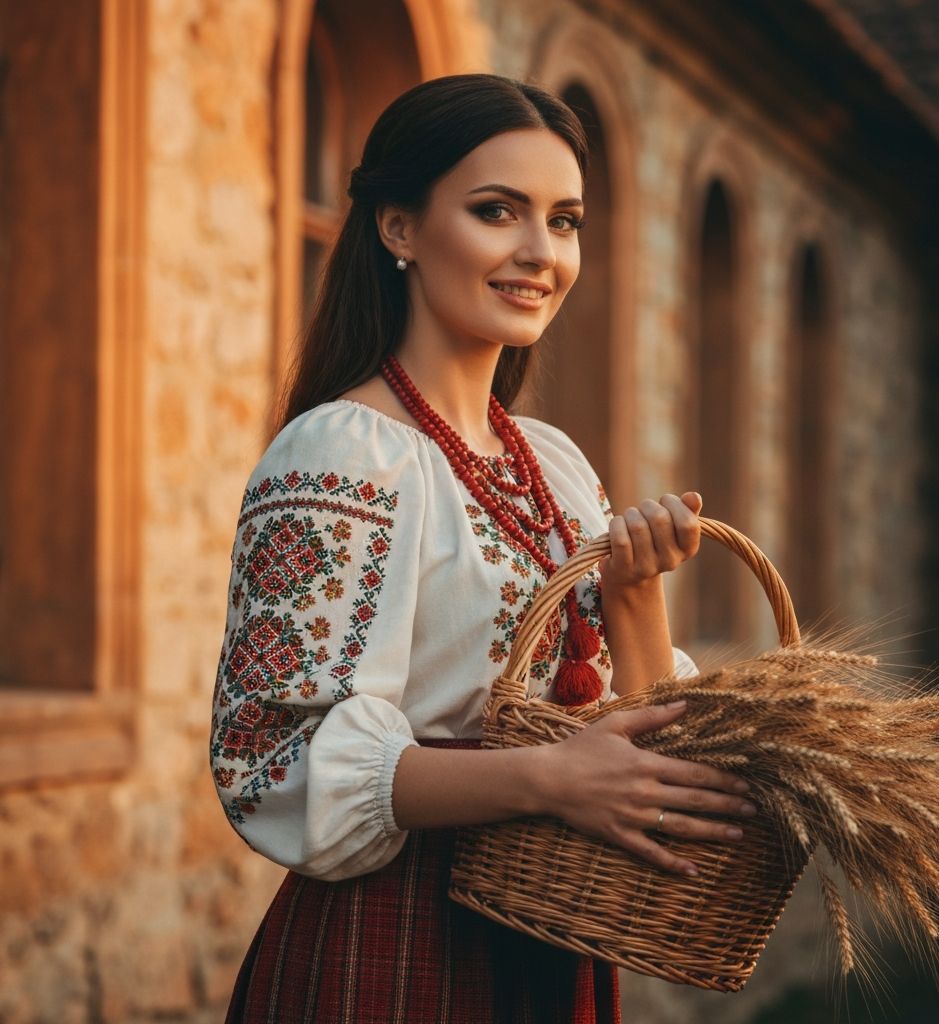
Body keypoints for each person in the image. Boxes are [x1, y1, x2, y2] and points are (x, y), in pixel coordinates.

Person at [210, 73, 757, 1024]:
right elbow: (268, 755)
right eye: (497, 211)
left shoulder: (555, 466)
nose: (540, 252)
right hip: (395, 936)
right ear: (400, 228)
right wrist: (548, 777)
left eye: (565, 220)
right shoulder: (343, 452)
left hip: (552, 926)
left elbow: (634, 741)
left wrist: (635, 599)